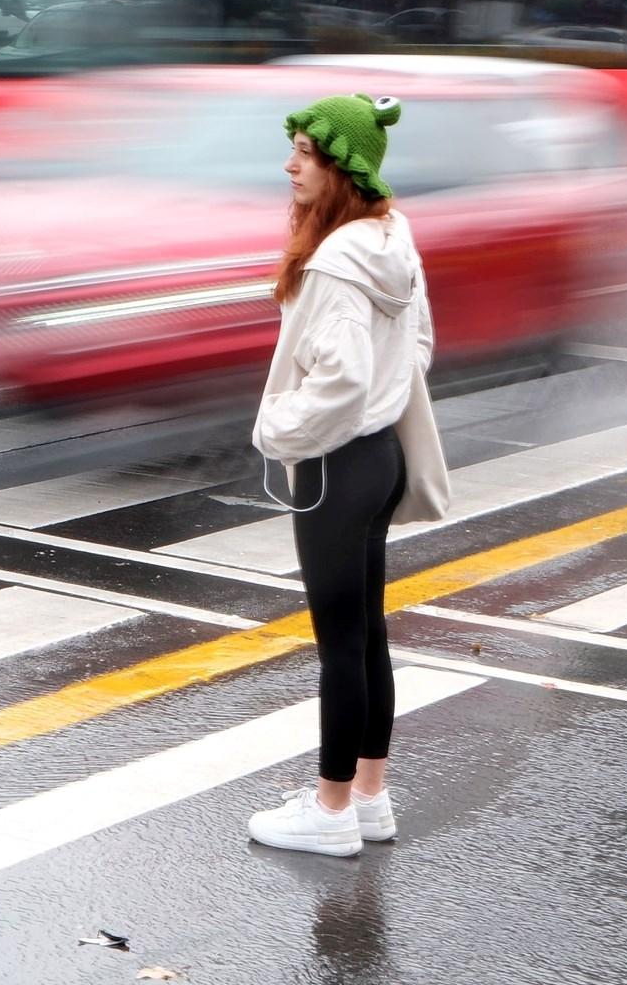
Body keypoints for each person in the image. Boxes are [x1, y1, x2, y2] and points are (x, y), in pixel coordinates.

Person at [248, 92, 439, 857]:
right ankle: (368, 797)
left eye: (306, 154)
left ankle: (329, 813)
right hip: (380, 457)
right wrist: (384, 398)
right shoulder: (391, 239)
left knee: (340, 646)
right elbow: (418, 344)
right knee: (366, 635)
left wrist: (275, 429)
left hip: (335, 463)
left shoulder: (333, 263)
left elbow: (341, 381)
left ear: (344, 168)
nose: (290, 165)